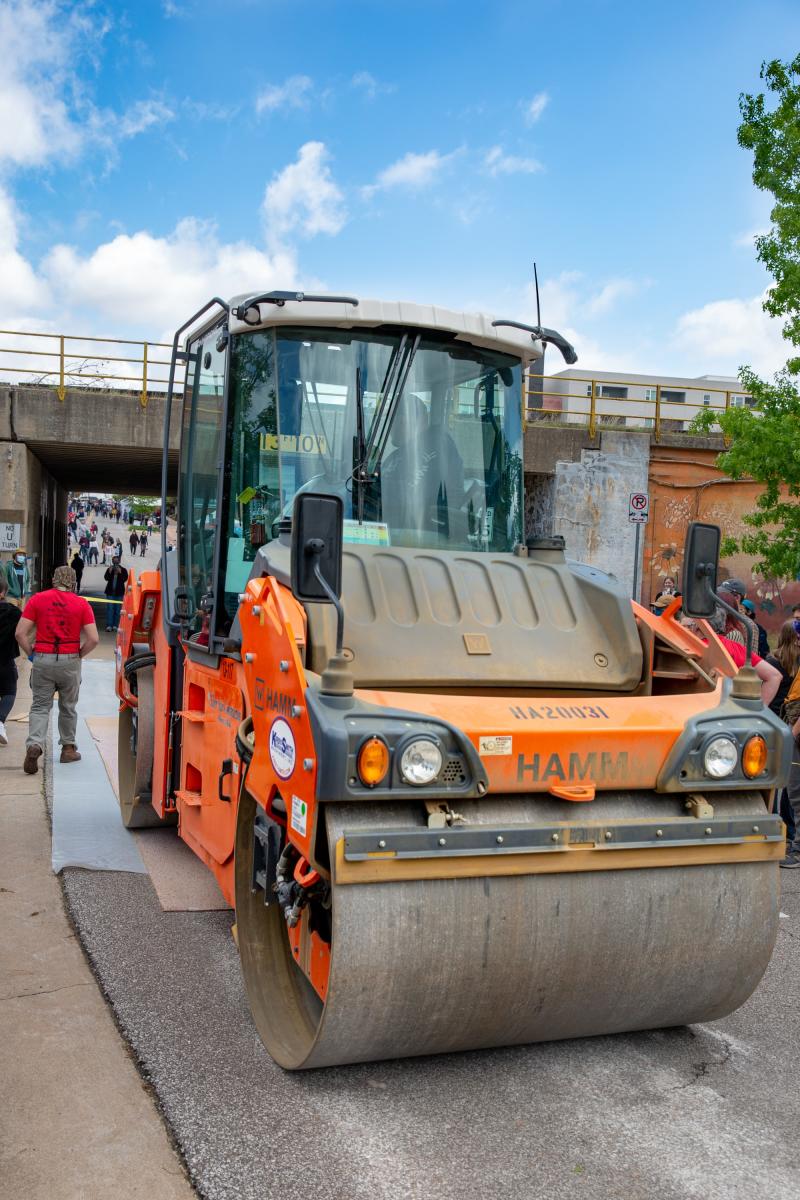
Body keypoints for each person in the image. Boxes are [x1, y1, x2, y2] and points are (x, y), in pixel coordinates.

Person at [15, 565, 99, 773]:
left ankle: (35, 744)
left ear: (54, 579)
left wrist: (32, 654)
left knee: (40, 706)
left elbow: (20, 633)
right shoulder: (81, 604)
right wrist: (78, 655)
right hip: (69, 659)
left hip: (43, 658)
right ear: (72, 582)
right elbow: (94, 639)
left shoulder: (37, 600)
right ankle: (68, 749)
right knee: (68, 706)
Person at [705, 605, 780, 706]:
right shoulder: (733, 647)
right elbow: (774, 676)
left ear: (696, 625)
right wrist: (756, 711)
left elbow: (774, 676)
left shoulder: (688, 642)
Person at [0, 577, 21, 746]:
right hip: (6, 658)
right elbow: (25, 629)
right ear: (3, 592)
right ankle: (0, 722)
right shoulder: (13, 612)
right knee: (9, 691)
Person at [104, 556, 128, 631]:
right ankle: (109, 625)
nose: (115, 564)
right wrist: (109, 571)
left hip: (119, 593)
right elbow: (106, 578)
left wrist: (120, 572)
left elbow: (125, 579)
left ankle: (116, 625)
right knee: (110, 609)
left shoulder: (123, 570)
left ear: (119, 561)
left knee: (118, 610)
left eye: (117, 562)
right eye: (114, 562)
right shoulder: (109, 569)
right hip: (110, 593)